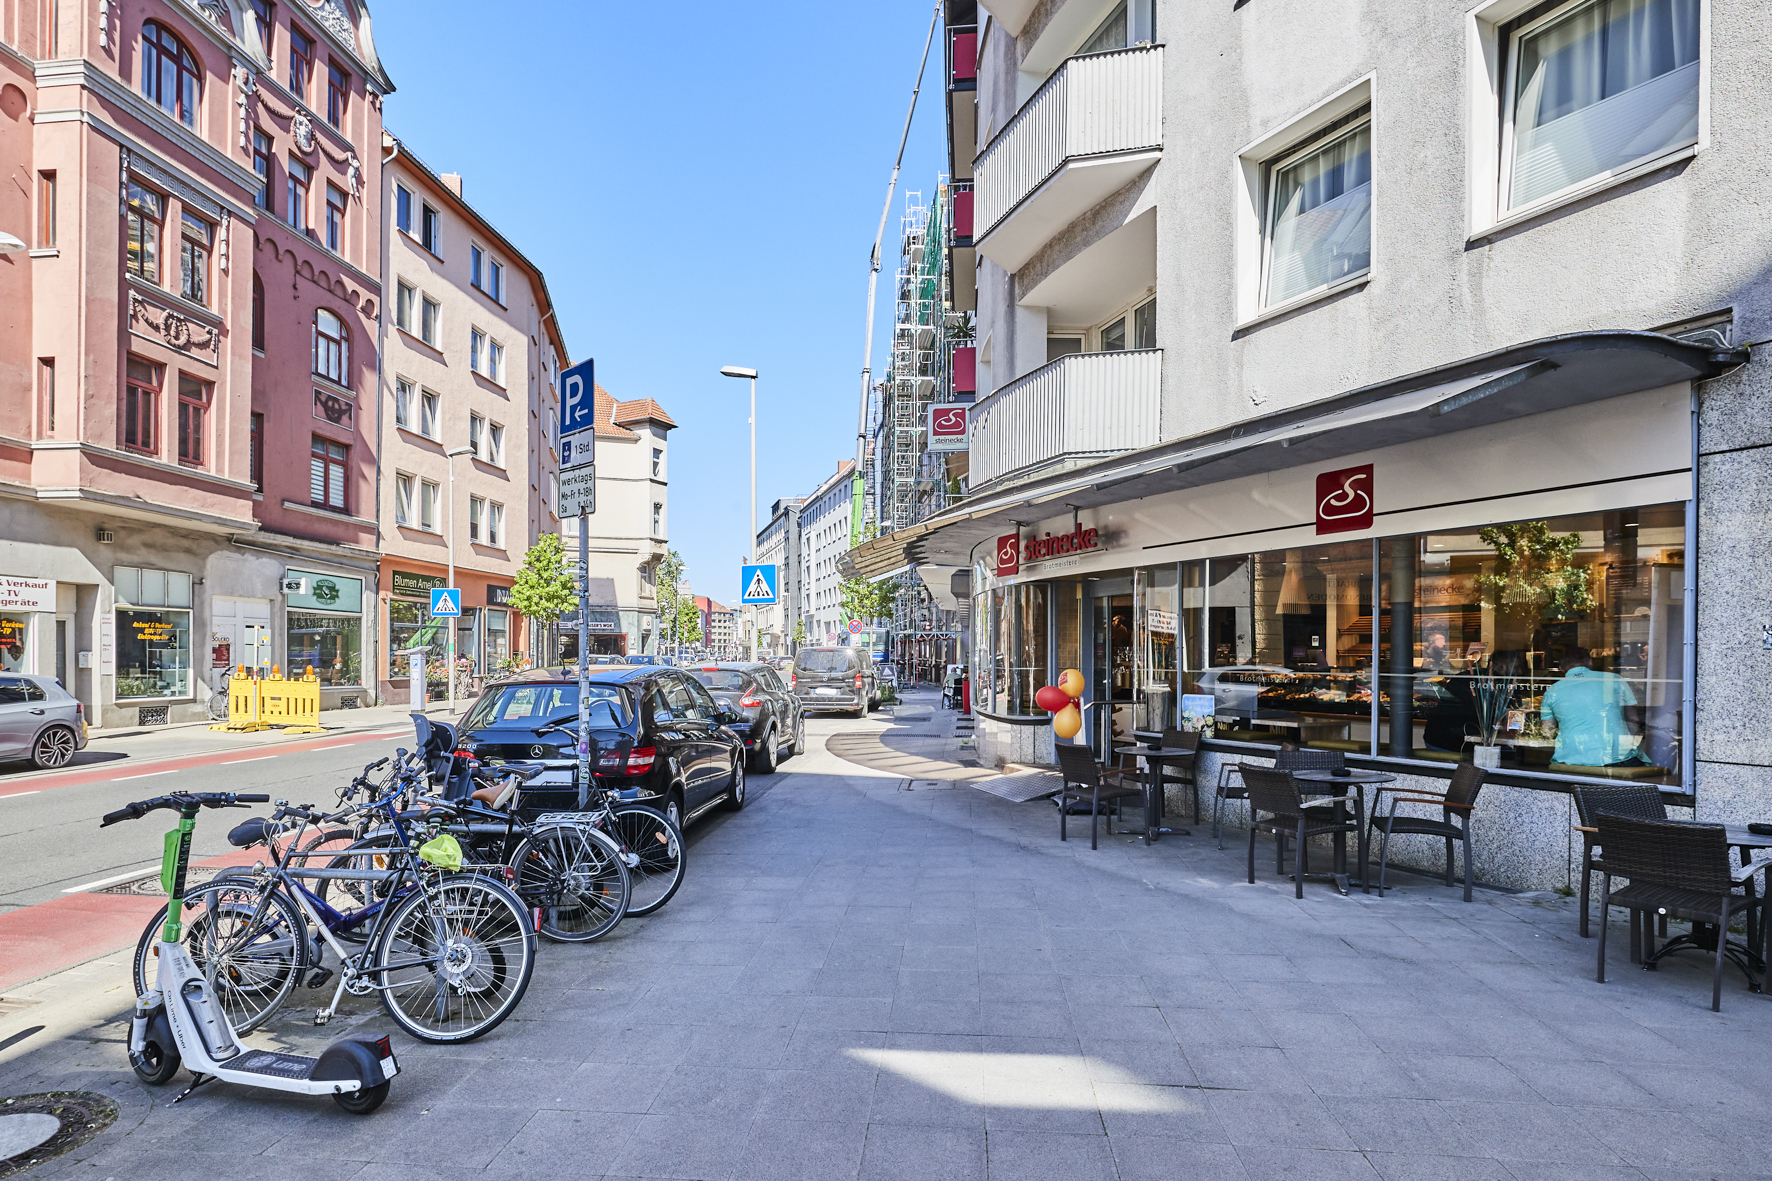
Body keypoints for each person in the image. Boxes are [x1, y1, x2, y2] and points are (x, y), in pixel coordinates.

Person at [1539, 647, 1644, 767]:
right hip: (1617, 758)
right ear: (1590, 662)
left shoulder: (1552, 691)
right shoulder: (1615, 679)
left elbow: (1547, 732)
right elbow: (1633, 720)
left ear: (1561, 668)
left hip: (1570, 760)